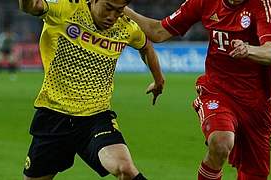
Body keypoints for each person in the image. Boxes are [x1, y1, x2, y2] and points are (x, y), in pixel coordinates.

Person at [124, 0, 271, 179]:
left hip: (255, 102)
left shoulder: (262, 3)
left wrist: (248, 50)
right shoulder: (204, 1)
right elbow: (158, 32)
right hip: (217, 91)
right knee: (221, 141)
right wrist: (120, 8)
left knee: (255, 173)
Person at [19, 0, 165, 179]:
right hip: (54, 115)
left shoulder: (127, 27)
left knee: (125, 169)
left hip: (96, 118)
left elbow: (146, 47)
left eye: (119, 11)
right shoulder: (67, 9)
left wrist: (158, 80)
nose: (112, 17)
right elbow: (30, 7)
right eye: (108, 8)